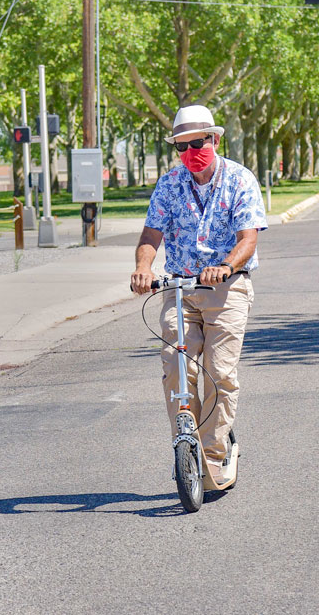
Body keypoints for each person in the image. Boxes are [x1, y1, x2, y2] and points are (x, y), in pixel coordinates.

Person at [130, 104, 268, 484]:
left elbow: (248, 239)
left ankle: (212, 452)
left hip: (226, 288)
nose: (192, 151)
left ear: (216, 139)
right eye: (183, 146)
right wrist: (144, 268)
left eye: (199, 142)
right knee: (176, 367)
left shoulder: (240, 180)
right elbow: (151, 235)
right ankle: (186, 444)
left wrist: (225, 265)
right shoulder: (170, 185)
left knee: (221, 372)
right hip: (179, 289)